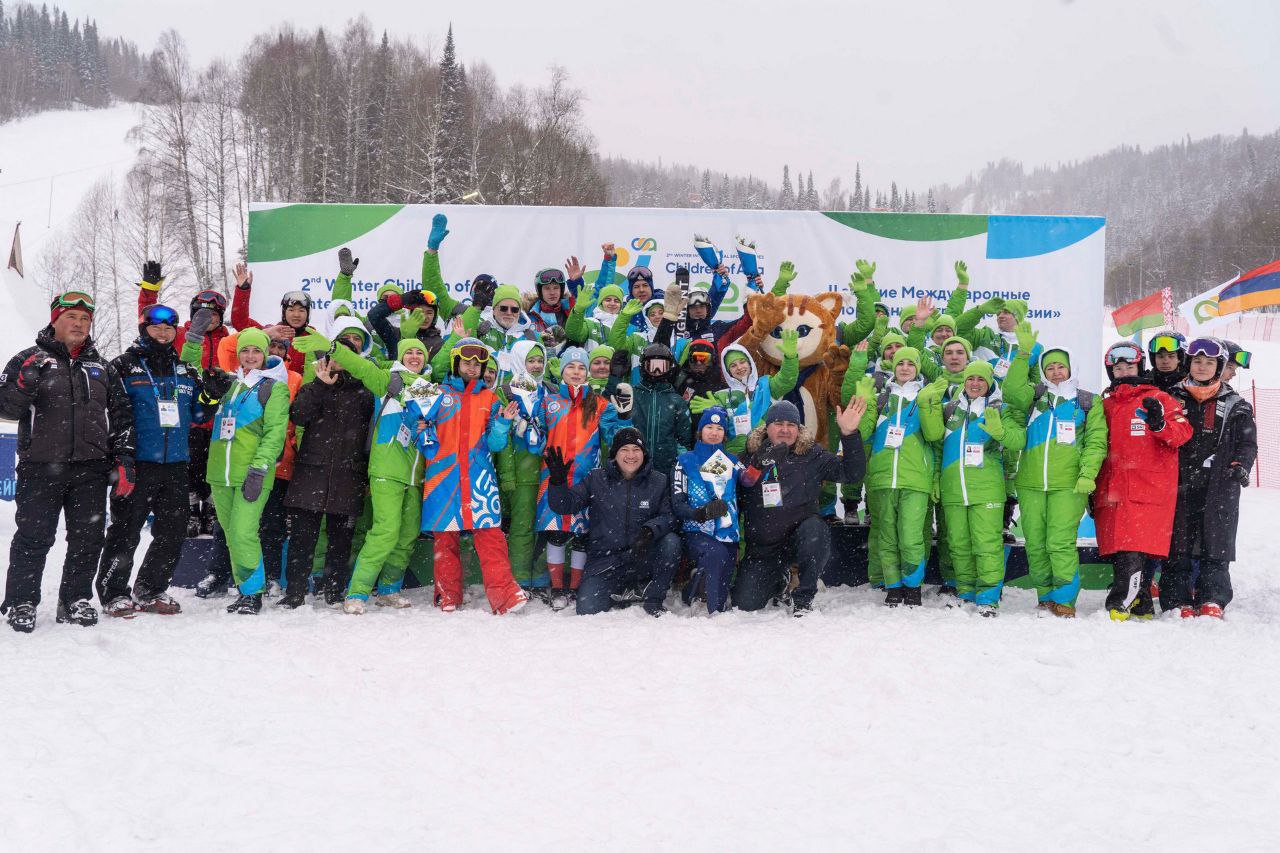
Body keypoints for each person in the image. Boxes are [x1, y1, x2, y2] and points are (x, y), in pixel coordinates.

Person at [1, 292, 136, 633]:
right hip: (40, 468)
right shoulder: (27, 359)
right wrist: (24, 383)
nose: (78, 324)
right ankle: (21, 601)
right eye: (71, 318)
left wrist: (124, 458)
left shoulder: (102, 367)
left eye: (85, 319)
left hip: (90, 470)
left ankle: (74, 599)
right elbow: (6, 410)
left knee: (88, 539)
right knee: (34, 537)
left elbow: (122, 416)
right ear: (55, 320)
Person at [293, 331, 431, 612]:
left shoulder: (430, 389)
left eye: (419, 353)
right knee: (385, 532)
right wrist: (333, 348)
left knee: (406, 535)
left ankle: (390, 588)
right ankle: (357, 592)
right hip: (386, 469)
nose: (414, 357)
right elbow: (361, 366)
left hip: (416, 474)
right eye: (409, 352)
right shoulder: (388, 379)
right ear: (400, 356)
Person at [96, 303, 215, 618]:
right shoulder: (123, 366)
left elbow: (200, 414)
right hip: (137, 462)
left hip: (176, 464)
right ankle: (113, 593)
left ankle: (150, 589)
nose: (163, 333)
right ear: (143, 328)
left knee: (173, 531)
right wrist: (120, 457)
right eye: (156, 327)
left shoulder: (186, 370)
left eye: (168, 328)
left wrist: (213, 395)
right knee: (126, 529)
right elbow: (111, 416)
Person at [411, 338, 528, 614]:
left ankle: (505, 597)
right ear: (455, 363)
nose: (473, 368)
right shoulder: (436, 394)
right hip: (444, 479)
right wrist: (419, 426)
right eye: (467, 362)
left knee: (491, 538)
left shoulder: (490, 398)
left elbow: (496, 444)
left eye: (478, 364)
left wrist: (502, 424)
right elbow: (419, 429)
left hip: (479, 480)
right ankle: (447, 595)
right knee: (445, 539)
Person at [734, 397, 867, 614]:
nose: (785, 430)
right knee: (745, 605)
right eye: (778, 424)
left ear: (798, 429)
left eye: (791, 425)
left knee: (816, 530)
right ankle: (780, 579)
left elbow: (851, 473)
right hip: (763, 548)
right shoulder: (750, 456)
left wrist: (849, 435)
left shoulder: (812, 454)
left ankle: (804, 597)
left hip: (799, 539)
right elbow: (735, 492)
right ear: (766, 428)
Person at [191, 328, 291, 615]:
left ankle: (253, 592)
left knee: (244, 532)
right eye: (245, 350)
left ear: (265, 355)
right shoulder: (230, 384)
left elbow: (274, 434)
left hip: (251, 473)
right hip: (219, 474)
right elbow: (201, 413)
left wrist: (259, 468)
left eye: (257, 351)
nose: (250, 356)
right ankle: (244, 588)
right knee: (232, 534)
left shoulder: (273, 387)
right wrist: (209, 395)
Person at [279, 321, 376, 608]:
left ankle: (334, 591)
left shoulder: (366, 392)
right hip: (311, 473)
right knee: (302, 539)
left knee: (341, 540)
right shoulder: (314, 385)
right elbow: (299, 416)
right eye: (337, 354)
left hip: (349, 474)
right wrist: (321, 385)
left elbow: (372, 433)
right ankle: (295, 592)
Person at [1093, 341, 1191, 620]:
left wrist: (1160, 424)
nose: (1123, 371)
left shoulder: (1158, 398)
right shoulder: (1105, 404)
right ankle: (1142, 603)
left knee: (1132, 547)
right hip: (1111, 488)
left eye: (1129, 366)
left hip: (1147, 487)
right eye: (1117, 367)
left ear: (1139, 366)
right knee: (1119, 548)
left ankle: (1119, 602)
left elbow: (1182, 434)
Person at [1163, 338, 1257, 618]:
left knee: (1216, 542)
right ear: (1188, 363)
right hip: (1178, 483)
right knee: (1177, 543)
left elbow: (1247, 443)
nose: (1202, 367)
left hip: (1219, 484)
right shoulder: (1171, 396)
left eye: (1209, 362)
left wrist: (1241, 465)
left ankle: (1212, 598)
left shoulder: (1235, 403)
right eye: (1197, 361)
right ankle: (1176, 599)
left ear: (1218, 367)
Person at [922, 361, 1025, 615]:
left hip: (987, 489)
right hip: (954, 488)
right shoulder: (950, 410)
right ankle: (965, 592)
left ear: (989, 383)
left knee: (986, 544)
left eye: (981, 379)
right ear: (964, 382)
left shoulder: (1001, 410)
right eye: (970, 379)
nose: (975, 384)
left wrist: (1000, 432)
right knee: (958, 544)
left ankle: (988, 596)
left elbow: (1018, 439)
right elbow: (936, 449)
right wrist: (936, 479)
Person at [136, 260, 230, 536]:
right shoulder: (180, 334)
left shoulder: (229, 339)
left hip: (215, 418)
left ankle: (211, 510)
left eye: (214, 315)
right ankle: (189, 511)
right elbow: (148, 318)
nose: (207, 319)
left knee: (212, 468)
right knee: (188, 469)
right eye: (201, 313)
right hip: (184, 416)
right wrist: (150, 290)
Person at [545, 429, 682, 616]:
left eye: (636, 449)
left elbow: (669, 517)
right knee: (587, 611)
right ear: (615, 454)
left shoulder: (658, 481)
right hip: (605, 562)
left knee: (671, 542)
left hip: (642, 557)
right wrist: (558, 482)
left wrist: (649, 531)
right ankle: (621, 591)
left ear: (644, 453)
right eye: (624, 449)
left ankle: (653, 597)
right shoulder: (596, 479)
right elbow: (564, 506)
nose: (631, 455)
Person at [855, 348, 943, 606]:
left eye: (910, 364)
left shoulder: (924, 395)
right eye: (900, 363)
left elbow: (935, 434)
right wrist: (866, 404)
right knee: (887, 536)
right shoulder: (882, 398)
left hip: (915, 480)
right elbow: (864, 434)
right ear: (893, 367)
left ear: (917, 368)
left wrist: (928, 403)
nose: (905, 368)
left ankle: (912, 586)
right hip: (882, 478)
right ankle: (893, 586)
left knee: (911, 535)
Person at [533, 347, 619, 609]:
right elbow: (535, 441)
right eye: (571, 367)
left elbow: (613, 439)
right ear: (562, 371)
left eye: (581, 367)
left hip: (586, 478)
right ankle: (557, 588)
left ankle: (575, 588)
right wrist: (527, 427)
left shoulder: (600, 404)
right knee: (556, 533)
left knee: (582, 536)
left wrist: (623, 418)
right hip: (554, 477)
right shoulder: (548, 402)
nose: (576, 372)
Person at [673, 408, 741, 614]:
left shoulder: (732, 460)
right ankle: (708, 606)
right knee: (715, 553)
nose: (714, 432)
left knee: (723, 576)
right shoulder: (685, 461)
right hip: (697, 532)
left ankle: (697, 590)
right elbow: (678, 502)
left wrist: (763, 461)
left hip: (728, 533)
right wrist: (699, 514)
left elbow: (749, 481)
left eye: (719, 428)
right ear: (700, 431)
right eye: (709, 427)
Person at [498, 340, 552, 594]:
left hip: (546, 471)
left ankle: (539, 575)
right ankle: (519, 576)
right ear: (520, 361)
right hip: (521, 472)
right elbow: (503, 441)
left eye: (540, 361)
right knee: (522, 527)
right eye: (531, 360)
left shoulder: (550, 390)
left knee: (543, 526)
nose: (536, 365)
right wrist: (507, 474)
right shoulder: (507, 392)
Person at [630, 343, 691, 476]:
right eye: (652, 366)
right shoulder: (632, 395)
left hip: (665, 468)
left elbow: (684, 440)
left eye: (662, 367)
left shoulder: (676, 400)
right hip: (633, 465)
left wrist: (679, 467)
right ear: (643, 367)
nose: (657, 371)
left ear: (669, 368)